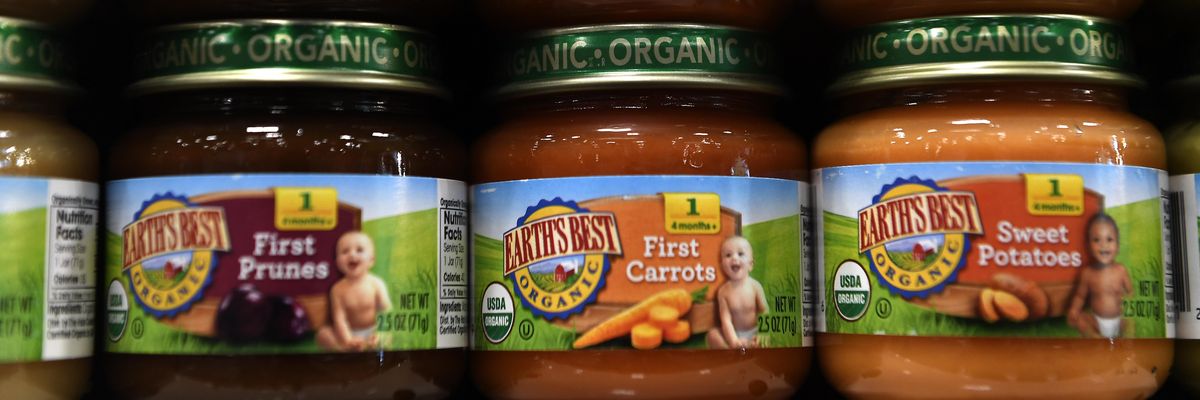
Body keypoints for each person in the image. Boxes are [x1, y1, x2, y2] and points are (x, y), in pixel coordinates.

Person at [317, 231, 392, 351]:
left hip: (373, 329)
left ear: (371, 260)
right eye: (345, 251)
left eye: (359, 250)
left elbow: (386, 310)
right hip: (349, 332)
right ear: (337, 262)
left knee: (389, 336)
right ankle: (345, 349)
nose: (352, 254)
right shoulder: (337, 289)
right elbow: (339, 319)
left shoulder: (376, 283)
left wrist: (379, 333)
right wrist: (347, 339)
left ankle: (373, 343)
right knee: (323, 334)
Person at [707, 235, 768, 349]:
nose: (734, 258)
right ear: (722, 266)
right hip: (734, 333)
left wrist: (763, 333)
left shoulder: (755, 286)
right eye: (728, 255)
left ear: (751, 265)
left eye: (740, 254)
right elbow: (726, 320)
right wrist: (734, 341)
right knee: (712, 334)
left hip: (754, 331)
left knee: (764, 341)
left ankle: (752, 346)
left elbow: (764, 311)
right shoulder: (723, 292)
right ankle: (730, 352)